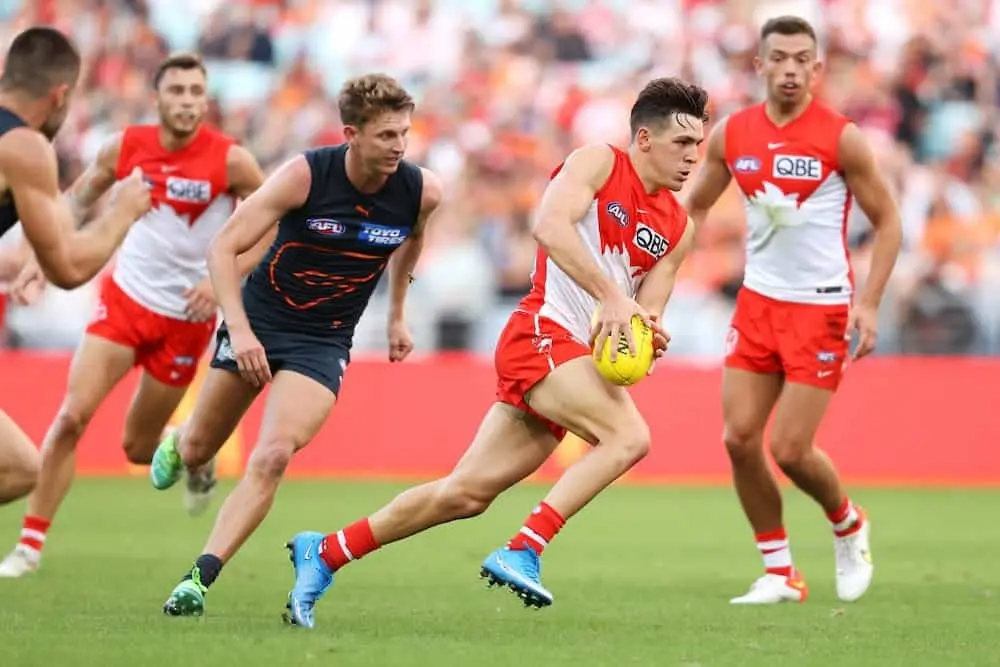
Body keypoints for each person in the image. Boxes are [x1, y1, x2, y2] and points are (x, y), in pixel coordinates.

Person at [282, 76, 706, 629]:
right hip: (541, 332)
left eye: (698, 145)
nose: (692, 156)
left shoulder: (679, 228)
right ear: (644, 139)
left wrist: (648, 336)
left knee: (464, 494)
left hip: (574, 357)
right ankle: (525, 547)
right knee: (630, 437)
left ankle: (327, 551)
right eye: (682, 143)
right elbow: (547, 226)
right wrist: (611, 296)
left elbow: (646, 313)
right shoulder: (599, 163)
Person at [149, 73, 444, 618]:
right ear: (351, 134)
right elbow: (222, 249)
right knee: (197, 452)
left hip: (323, 340)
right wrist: (240, 330)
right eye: (386, 135)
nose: (399, 146)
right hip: (259, 322)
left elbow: (413, 241)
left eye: (405, 133)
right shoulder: (304, 177)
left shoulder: (421, 191)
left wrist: (397, 315)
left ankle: (199, 578)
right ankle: (181, 440)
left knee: (272, 456)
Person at [0, 52, 267, 578]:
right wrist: (35, 258)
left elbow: (273, 223)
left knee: (139, 448)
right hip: (125, 301)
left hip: (186, 318)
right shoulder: (126, 147)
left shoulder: (232, 161)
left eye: (196, 92)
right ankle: (29, 546)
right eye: (177, 91)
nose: (187, 101)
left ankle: (192, 450)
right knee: (71, 417)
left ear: (206, 100)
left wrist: (221, 281)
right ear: (157, 98)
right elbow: (73, 204)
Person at [683, 16, 902, 605]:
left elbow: (888, 222)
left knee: (790, 449)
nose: (789, 69)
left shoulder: (841, 137)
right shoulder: (733, 134)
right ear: (759, 65)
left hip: (820, 309)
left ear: (816, 67)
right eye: (778, 57)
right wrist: (663, 264)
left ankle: (848, 522)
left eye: (801, 59)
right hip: (758, 303)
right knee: (738, 438)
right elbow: (695, 207)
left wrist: (869, 304)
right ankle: (781, 572)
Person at [0, 28, 150, 509]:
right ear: (60, 95)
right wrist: (122, 213)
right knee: (17, 468)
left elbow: (39, 235)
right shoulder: (24, 147)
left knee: (18, 466)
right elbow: (67, 267)